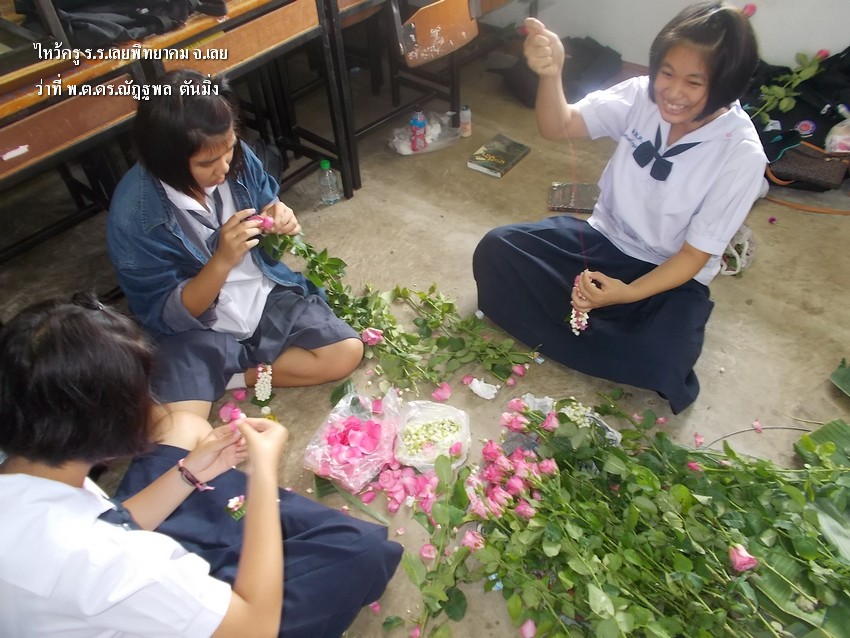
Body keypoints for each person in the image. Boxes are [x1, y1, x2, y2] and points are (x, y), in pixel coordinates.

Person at [0, 293, 402, 637]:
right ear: (110, 427)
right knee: (359, 551)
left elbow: (114, 521)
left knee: (186, 428)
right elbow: (254, 627)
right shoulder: (110, 562)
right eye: (142, 396)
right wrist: (263, 471)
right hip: (228, 621)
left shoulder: (28, 476)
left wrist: (189, 473)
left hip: (104, 590)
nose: (151, 403)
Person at [473, 2, 767, 413]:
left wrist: (627, 294)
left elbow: (693, 256)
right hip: (603, 240)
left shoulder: (741, 154)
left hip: (669, 274)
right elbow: (559, 125)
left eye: (694, 82)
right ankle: (597, 332)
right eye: (667, 73)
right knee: (496, 250)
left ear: (726, 85)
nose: (672, 92)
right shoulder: (641, 96)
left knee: (662, 360)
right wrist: (551, 74)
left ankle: (587, 326)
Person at [107, 69, 364, 420]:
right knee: (180, 425)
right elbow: (169, 315)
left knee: (346, 352)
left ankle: (241, 374)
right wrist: (221, 261)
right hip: (196, 329)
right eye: (206, 163)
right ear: (164, 160)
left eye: (228, 150)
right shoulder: (134, 218)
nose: (224, 168)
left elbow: (266, 200)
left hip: (260, 297)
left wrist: (278, 214)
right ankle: (224, 363)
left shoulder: (234, 157)